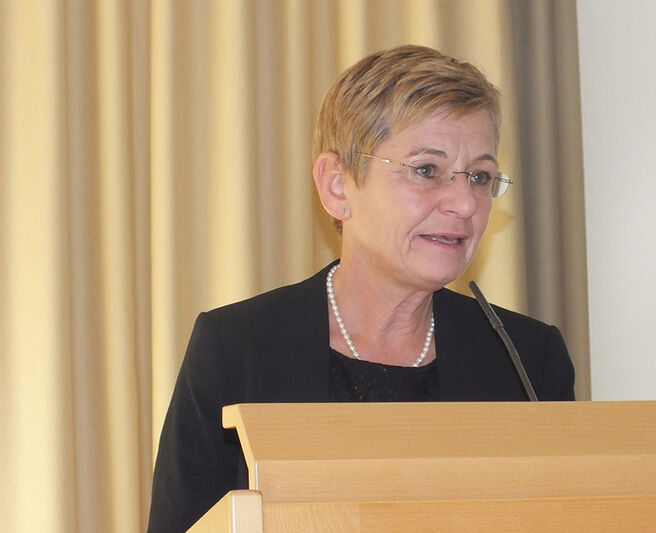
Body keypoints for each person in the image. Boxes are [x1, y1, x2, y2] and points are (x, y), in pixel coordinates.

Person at [146, 44, 574, 533]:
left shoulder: (527, 361)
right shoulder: (237, 349)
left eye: (480, 176)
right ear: (337, 185)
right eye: (426, 170)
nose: (464, 203)